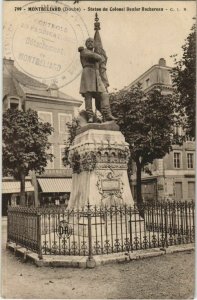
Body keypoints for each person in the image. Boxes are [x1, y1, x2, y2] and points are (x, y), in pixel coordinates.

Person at [79, 38, 116, 123]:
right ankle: (90, 116)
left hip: (96, 75)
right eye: (88, 42)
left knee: (104, 94)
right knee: (88, 96)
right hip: (87, 73)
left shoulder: (93, 52)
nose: (90, 43)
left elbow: (100, 59)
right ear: (86, 44)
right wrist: (99, 55)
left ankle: (107, 114)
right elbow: (97, 57)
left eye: (92, 42)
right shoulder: (84, 51)